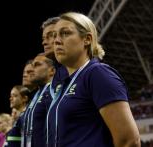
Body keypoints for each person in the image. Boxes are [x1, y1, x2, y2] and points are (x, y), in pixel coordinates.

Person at [46, 12, 140, 147]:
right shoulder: (64, 85)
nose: (56, 40)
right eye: (54, 35)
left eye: (65, 33)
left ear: (87, 39)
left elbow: (129, 141)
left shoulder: (98, 74)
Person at [22, 54, 55, 147]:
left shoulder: (53, 92)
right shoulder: (38, 93)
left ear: (52, 71)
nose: (32, 70)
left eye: (37, 65)